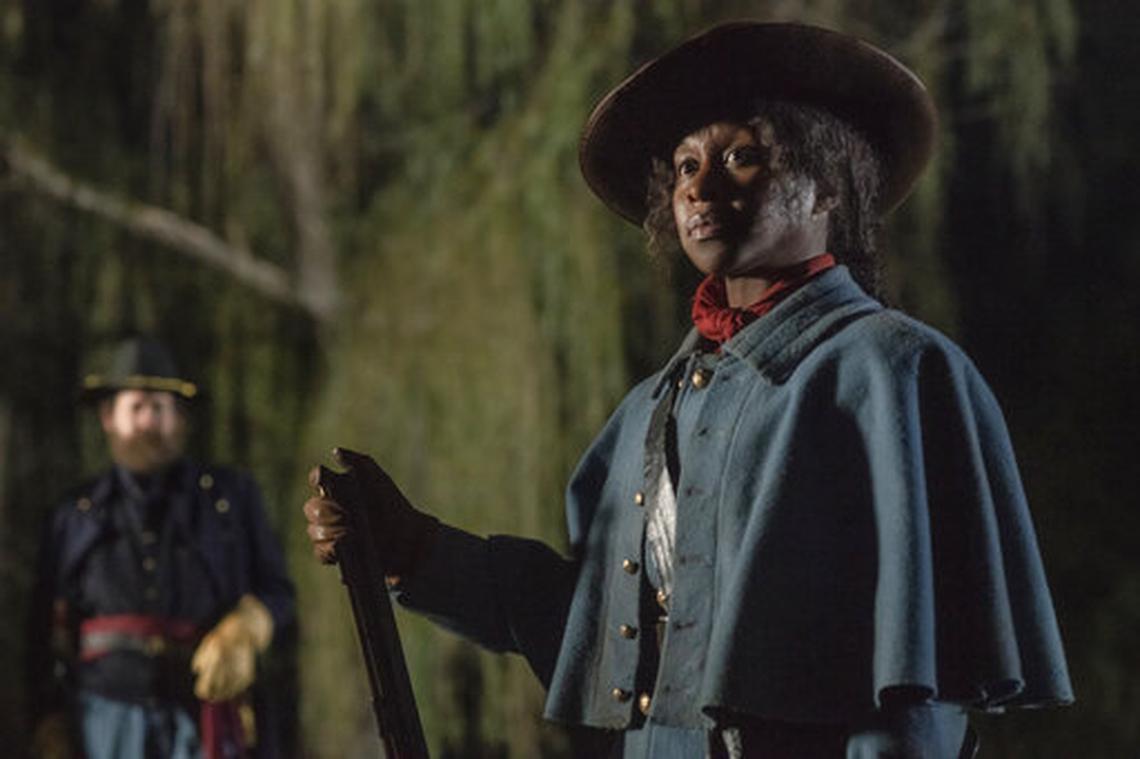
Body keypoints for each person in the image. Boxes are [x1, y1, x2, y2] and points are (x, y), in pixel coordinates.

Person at [302, 22, 1073, 758]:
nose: (701, 188)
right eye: (683, 167)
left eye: (742, 158)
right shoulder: (651, 406)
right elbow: (595, 624)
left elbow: (917, 682)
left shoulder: (893, 371)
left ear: (827, 187)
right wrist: (416, 550)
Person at [28, 336, 296, 759]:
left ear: (180, 419)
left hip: (202, 713)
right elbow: (42, 628)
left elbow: (278, 592)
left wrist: (245, 629)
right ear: (107, 417)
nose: (149, 421)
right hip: (102, 719)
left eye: (160, 408)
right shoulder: (73, 516)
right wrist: (48, 719)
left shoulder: (229, 500)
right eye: (136, 408)